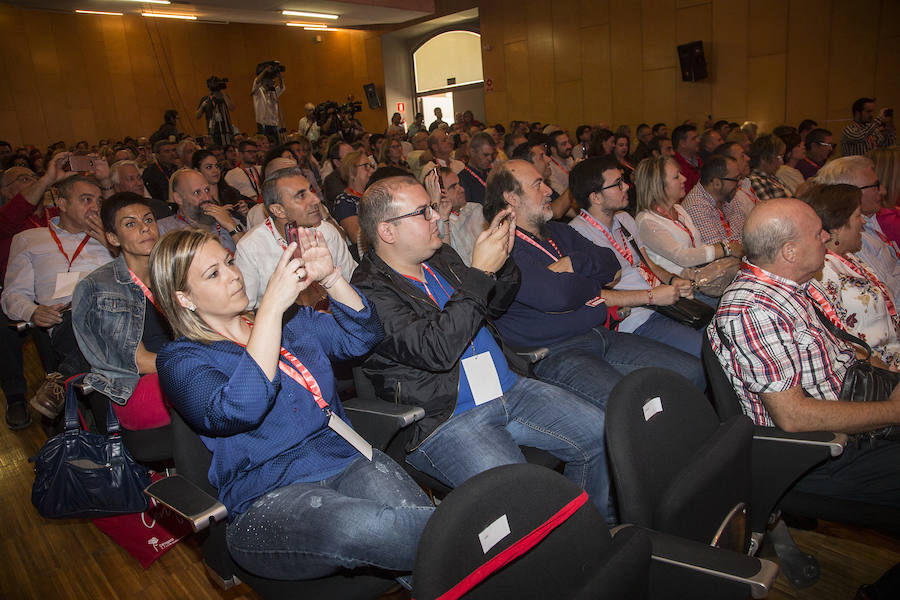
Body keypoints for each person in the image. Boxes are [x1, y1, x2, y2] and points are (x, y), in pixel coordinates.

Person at [151, 227, 432, 581]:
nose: (234, 275)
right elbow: (239, 409)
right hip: (264, 498)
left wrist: (331, 278)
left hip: (341, 458)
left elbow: (364, 336)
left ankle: (478, 536)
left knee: (409, 523)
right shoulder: (180, 359)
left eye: (228, 262)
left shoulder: (291, 320)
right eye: (214, 273)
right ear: (184, 299)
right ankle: (487, 528)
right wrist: (269, 309)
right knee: (368, 527)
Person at [351, 175, 614, 521]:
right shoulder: (367, 292)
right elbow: (437, 349)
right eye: (423, 212)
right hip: (447, 418)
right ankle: (555, 557)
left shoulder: (440, 256)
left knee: (599, 436)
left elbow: (492, 307)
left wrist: (502, 265)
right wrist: (479, 273)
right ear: (387, 231)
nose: (436, 217)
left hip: (508, 386)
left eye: (431, 208)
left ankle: (593, 529)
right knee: (523, 498)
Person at [708, 197, 900, 508]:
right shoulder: (754, 311)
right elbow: (794, 417)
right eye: (817, 232)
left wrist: (885, 374)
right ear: (789, 251)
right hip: (827, 451)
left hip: (852, 411)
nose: (826, 235)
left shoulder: (792, 287)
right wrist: (892, 410)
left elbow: (842, 352)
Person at [483, 159, 705, 412]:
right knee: (636, 408)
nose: (549, 191)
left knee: (693, 371)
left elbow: (612, 267)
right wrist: (591, 284)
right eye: (538, 185)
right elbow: (558, 296)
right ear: (512, 197)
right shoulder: (501, 247)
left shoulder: (558, 231)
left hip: (598, 332)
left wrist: (573, 263)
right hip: (556, 352)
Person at [2, 175, 113, 418]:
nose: (95, 207)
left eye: (98, 201)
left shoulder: (110, 237)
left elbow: (142, 278)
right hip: (66, 319)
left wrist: (111, 244)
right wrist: (32, 311)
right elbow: (12, 294)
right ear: (61, 203)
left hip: (116, 309)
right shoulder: (29, 239)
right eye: (86, 199)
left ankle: (62, 378)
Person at [568, 156, 702, 357]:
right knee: (702, 349)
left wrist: (674, 281)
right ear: (595, 197)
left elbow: (647, 264)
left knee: (716, 334)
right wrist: (651, 296)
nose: (627, 186)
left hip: (661, 304)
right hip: (632, 317)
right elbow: (592, 297)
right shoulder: (577, 235)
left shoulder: (623, 218)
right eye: (618, 184)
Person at [72, 193, 172, 430]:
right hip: (136, 387)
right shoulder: (99, 286)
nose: (144, 228)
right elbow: (137, 362)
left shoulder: (173, 271)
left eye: (148, 220)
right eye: (131, 224)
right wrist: (196, 362)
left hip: (179, 369)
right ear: (113, 238)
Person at [802, 184, 900, 368]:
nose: (863, 222)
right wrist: (888, 372)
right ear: (837, 226)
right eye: (857, 216)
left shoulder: (849, 256)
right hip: (877, 371)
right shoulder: (823, 271)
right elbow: (841, 341)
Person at [235, 167, 356, 309]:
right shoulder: (251, 248)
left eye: (311, 190)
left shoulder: (325, 232)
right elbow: (244, 310)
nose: (316, 199)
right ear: (279, 210)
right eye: (301, 196)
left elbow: (352, 280)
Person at [634, 155, 735, 291]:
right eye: (676, 177)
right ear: (659, 186)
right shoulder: (646, 221)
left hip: (698, 282)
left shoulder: (678, 209)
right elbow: (683, 257)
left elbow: (697, 246)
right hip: (679, 291)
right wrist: (726, 249)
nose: (684, 179)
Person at [816, 156, 900, 303]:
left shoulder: (870, 219)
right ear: (848, 193)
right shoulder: (850, 237)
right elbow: (887, 298)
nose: (883, 191)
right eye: (875, 186)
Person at [156, 169, 244, 253]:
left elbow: (252, 258)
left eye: (207, 190)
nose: (207, 197)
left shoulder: (228, 221)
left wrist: (231, 226)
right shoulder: (164, 230)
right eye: (197, 193)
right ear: (179, 198)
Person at [682, 155, 746, 249]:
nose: (740, 183)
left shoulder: (727, 196)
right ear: (717, 183)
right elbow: (719, 254)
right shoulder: (696, 206)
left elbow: (745, 236)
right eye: (736, 179)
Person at [429, 166, 486, 266]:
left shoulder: (475, 209)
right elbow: (444, 259)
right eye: (453, 187)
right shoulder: (440, 224)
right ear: (440, 194)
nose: (462, 189)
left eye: (459, 184)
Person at [332, 151, 374, 253]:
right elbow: (356, 238)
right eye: (365, 166)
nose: (372, 170)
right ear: (351, 172)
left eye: (371, 165)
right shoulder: (344, 201)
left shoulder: (372, 194)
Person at [747, 134, 790, 202]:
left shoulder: (772, 177)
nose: (782, 162)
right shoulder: (756, 181)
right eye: (779, 158)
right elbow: (771, 209)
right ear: (764, 159)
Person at [457, 131, 495, 205]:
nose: (490, 159)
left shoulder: (493, 174)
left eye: (492, 155)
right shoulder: (462, 179)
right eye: (486, 155)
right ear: (472, 152)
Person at [251, 63, 285, 141]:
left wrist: (279, 76)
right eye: (270, 80)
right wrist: (265, 71)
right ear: (264, 81)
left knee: (276, 147)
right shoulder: (258, 92)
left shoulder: (273, 92)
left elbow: (282, 87)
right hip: (263, 125)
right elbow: (256, 81)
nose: (273, 82)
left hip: (275, 125)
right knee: (265, 146)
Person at [672, 124, 702, 192]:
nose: (698, 140)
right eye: (694, 139)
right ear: (682, 143)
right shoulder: (675, 166)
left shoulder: (699, 160)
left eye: (698, 137)